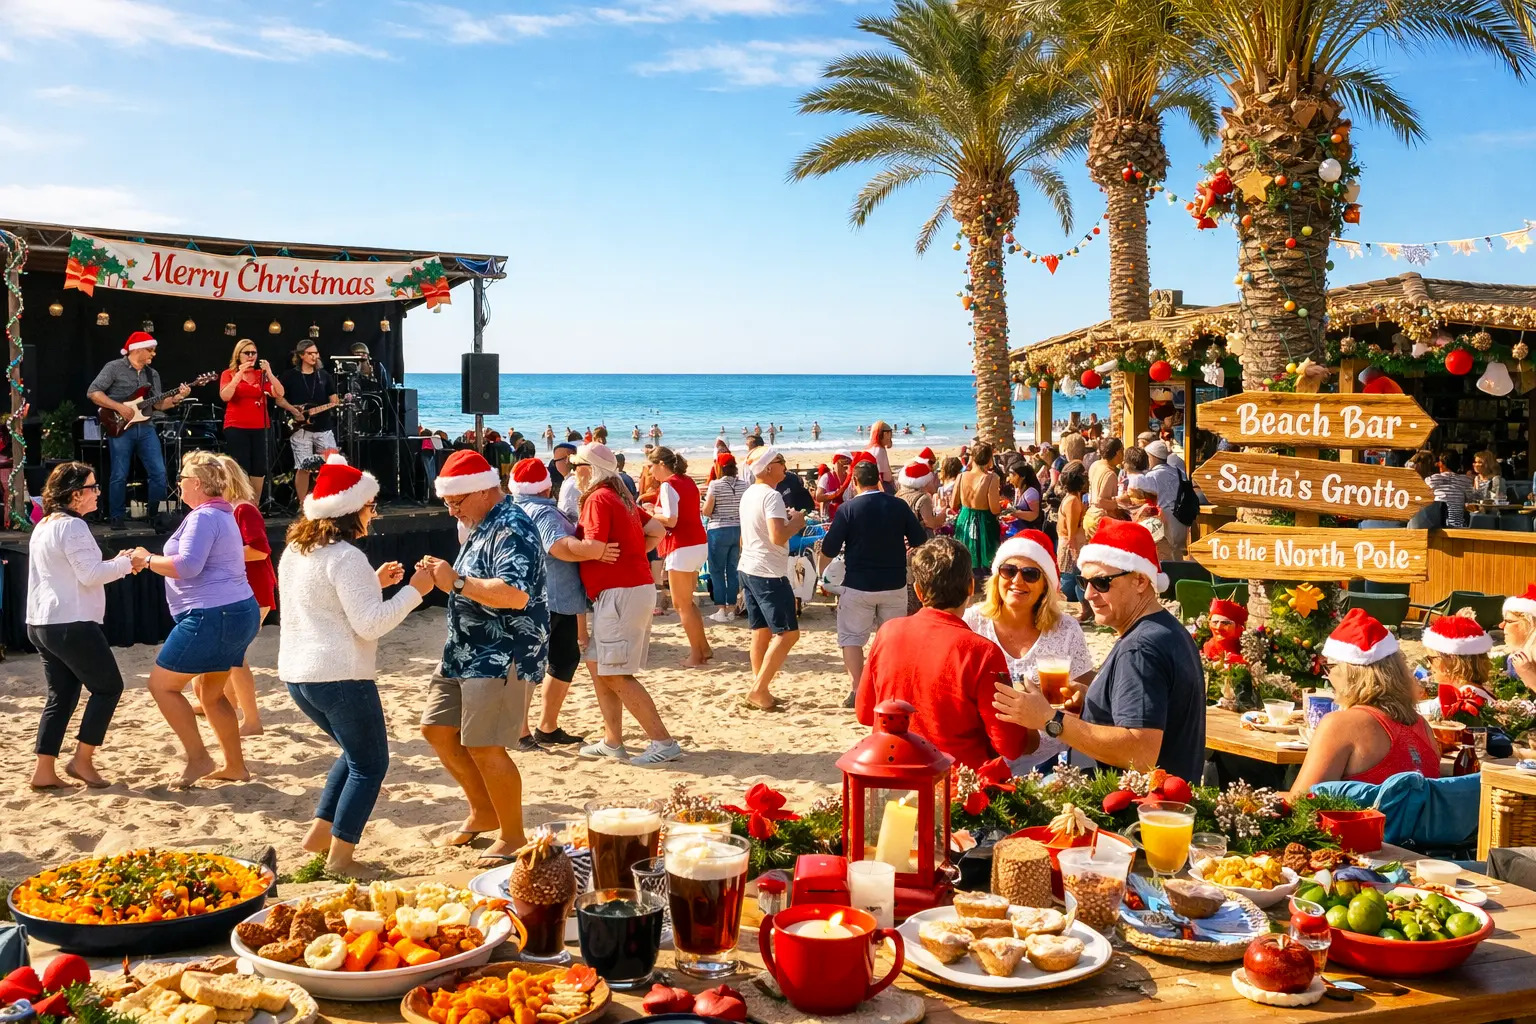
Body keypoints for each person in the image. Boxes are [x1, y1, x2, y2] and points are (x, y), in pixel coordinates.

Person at [278, 455, 434, 874]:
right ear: (351, 509)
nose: (374, 513)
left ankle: (317, 838)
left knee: (353, 755)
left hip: (299, 675)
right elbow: (371, 624)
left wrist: (374, 583)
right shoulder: (346, 558)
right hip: (340, 675)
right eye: (370, 506)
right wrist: (416, 591)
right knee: (370, 764)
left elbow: (321, 602)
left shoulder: (297, 549)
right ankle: (341, 859)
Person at [991, 519, 1205, 781]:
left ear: (1140, 580)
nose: (1089, 595)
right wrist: (1091, 699)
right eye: (1084, 582)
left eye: (1102, 583)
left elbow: (1140, 752)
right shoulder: (1166, 630)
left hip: (1137, 810)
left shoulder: (1140, 648)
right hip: (1164, 802)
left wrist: (1050, 720)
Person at [416, 450, 549, 862]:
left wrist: (454, 582)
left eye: (456, 501)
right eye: (448, 502)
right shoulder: (480, 523)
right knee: (437, 729)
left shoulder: (512, 526)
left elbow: (514, 594)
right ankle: (484, 812)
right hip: (465, 649)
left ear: (484, 490)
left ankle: (513, 835)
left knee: (486, 745)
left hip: (501, 651)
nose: (451, 509)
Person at [856, 537, 1036, 770]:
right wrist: (1034, 728)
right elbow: (1010, 745)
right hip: (960, 788)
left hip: (893, 774)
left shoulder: (888, 632)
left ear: (919, 591)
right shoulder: (981, 651)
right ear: (971, 587)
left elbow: (865, 713)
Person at [139, 451, 262, 787]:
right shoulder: (220, 513)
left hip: (213, 615)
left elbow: (187, 567)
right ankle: (235, 766)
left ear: (195, 483)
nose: (178, 484)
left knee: (161, 686)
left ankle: (199, 758)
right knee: (210, 694)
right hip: (235, 611)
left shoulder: (204, 518)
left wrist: (146, 559)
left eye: (181, 479)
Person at [26, 462, 142, 789]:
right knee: (108, 687)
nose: (98, 493)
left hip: (42, 622)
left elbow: (82, 570)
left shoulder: (45, 525)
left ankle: (44, 770)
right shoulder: (73, 527)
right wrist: (126, 563)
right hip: (70, 622)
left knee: (60, 695)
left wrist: (116, 563)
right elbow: (90, 575)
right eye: (93, 487)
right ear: (76, 494)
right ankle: (82, 760)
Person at [568, 442, 683, 765]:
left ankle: (663, 741)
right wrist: (631, 553)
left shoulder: (598, 497)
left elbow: (593, 545)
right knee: (598, 664)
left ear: (591, 470)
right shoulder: (620, 496)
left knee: (616, 672)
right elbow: (657, 530)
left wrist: (564, 547)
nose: (575, 473)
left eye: (578, 467)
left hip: (620, 591)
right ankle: (612, 741)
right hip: (631, 587)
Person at [964, 532, 1094, 771]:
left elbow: (1088, 694)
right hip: (986, 760)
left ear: (1045, 584)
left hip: (1052, 762)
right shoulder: (973, 622)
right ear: (997, 576)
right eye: (1009, 571)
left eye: (1030, 574)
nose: (1017, 581)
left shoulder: (1065, 629)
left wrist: (1077, 697)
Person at [510, 457, 615, 752]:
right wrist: (595, 551)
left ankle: (546, 727)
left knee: (562, 660)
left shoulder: (514, 509)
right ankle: (521, 731)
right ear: (545, 489)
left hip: (543, 597)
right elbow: (557, 546)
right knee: (538, 663)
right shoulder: (544, 513)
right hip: (551, 599)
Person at [1287, 608, 1443, 796]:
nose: (1328, 677)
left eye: (1330, 667)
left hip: (1362, 825)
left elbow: (1301, 802)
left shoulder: (1339, 725)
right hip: (1411, 825)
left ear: (1350, 672)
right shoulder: (1423, 727)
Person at [821, 458, 928, 706]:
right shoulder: (898, 505)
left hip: (859, 584)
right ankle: (890, 689)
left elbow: (829, 547)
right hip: (893, 582)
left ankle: (858, 690)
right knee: (892, 639)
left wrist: (822, 575)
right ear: (878, 480)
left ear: (855, 482)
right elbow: (919, 538)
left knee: (851, 638)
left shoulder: (848, 509)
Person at [87, 331, 190, 530]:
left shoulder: (152, 374)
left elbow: (158, 404)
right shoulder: (114, 367)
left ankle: (157, 516)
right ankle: (116, 517)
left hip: (146, 426)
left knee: (159, 472)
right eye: (150, 350)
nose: (153, 354)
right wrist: (119, 407)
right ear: (137, 349)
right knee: (119, 473)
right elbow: (93, 392)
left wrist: (178, 398)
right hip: (120, 426)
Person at [207, 455, 275, 736]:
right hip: (241, 589)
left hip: (254, 590)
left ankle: (252, 720)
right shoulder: (226, 510)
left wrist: (217, 555)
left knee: (234, 655)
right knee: (231, 654)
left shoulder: (243, 509)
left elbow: (259, 550)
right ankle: (231, 706)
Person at [738, 446, 805, 711]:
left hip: (750, 566)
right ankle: (759, 689)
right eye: (780, 462)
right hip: (768, 571)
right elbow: (778, 536)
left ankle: (760, 688)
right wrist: (797, 522)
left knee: (761, 631)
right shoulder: (770, 495)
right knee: (788, 634)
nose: (784, 466)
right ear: (768, 468)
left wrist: (787, 521)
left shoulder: (750, 493)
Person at [647, 447, 712, 667]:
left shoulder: (669, 484)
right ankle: (703, 648)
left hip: (682, 545)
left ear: (661, 465)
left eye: (652, 466)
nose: (651, 471)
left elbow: (671, 519)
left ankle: (696, 655)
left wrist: (649, 513)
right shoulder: (687, 481)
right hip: (697, 543)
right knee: (688, 603)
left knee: (681, 604)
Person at [218, 338, 284, 500]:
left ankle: (254, 505)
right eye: (247, 353)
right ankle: (239, 503)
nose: (251, 356)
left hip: (260, 425)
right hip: (237, 425)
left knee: (259, 467)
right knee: (241, 466)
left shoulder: (260, 375)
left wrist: (269, 372)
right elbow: (225, 396)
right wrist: (239, 374)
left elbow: (279, 393)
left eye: (253, 353)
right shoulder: (229, 373)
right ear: (238, 355)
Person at [276, 339, 340, 502]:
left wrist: (333, 404)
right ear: (301, 355)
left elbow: (334, 400)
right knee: (303, 467)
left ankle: (328, 500)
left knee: (332, 464)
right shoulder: (289, 376)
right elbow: (278, 399)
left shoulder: (324, 376)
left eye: (316, 353)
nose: (315, 356)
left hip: (323, 427)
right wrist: (293, 410)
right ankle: (304, 505)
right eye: (311, 353)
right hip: (300, 429)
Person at [704, 452, 749, 623]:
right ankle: (731, 608)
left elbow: (708, 510)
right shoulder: (744, 485)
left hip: (719, 530)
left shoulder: (715, 485)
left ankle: (721, 609)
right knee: (732, 570)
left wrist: (705, 509)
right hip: (738, 529)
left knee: (716, 570)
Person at [950, 442, 1005, 577]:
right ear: (989, 458)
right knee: (987, 560)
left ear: (972, 457)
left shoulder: (961, 476)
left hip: (964, 517)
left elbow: (953, 504)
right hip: (984, 522)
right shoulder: (992, 478)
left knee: (965, 557)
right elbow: (994, 508)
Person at [1055, 462, 1091, 621]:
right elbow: (1071, 531)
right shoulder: (1072, 502)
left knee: (1073, 579)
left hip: (1071, 543)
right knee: (1075, 579)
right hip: (1072, 545)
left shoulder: (1072, 498)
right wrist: (1075, 551)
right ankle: (1084, 610)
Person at [897, 459, 946, 534]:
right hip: (920, 540)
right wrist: (943, 515)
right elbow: (930, 524)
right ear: (925, 482)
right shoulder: (923, 499)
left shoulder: (899, 494)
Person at [1427, 450, 1473, 527]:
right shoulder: (1466, 480)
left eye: (1439, 462)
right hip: (1458, 525)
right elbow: (1470, 500)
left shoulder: (1431, 480)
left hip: (1438, 526)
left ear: (1442, 464)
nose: (1437, 464)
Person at [1088, 437, 1125, 521]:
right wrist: (1119, 502)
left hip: (1090, 515)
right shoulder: (1110, 474)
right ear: (1119, 452)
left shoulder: (1094, 465)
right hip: (1101, 520)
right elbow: (1100, 502)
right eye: (1123, 450)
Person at [814, 452, 854, 519]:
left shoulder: (851, 478)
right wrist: (834, 494)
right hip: (830, 515)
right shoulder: (826, 477)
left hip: (847, 514)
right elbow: (818, 497)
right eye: (842, 459)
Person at [866, 420, 896, 492]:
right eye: (889, 434)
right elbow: (887, 477)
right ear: (885, 434)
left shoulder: (869, 448)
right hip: (879, 486)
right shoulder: (880, 450)